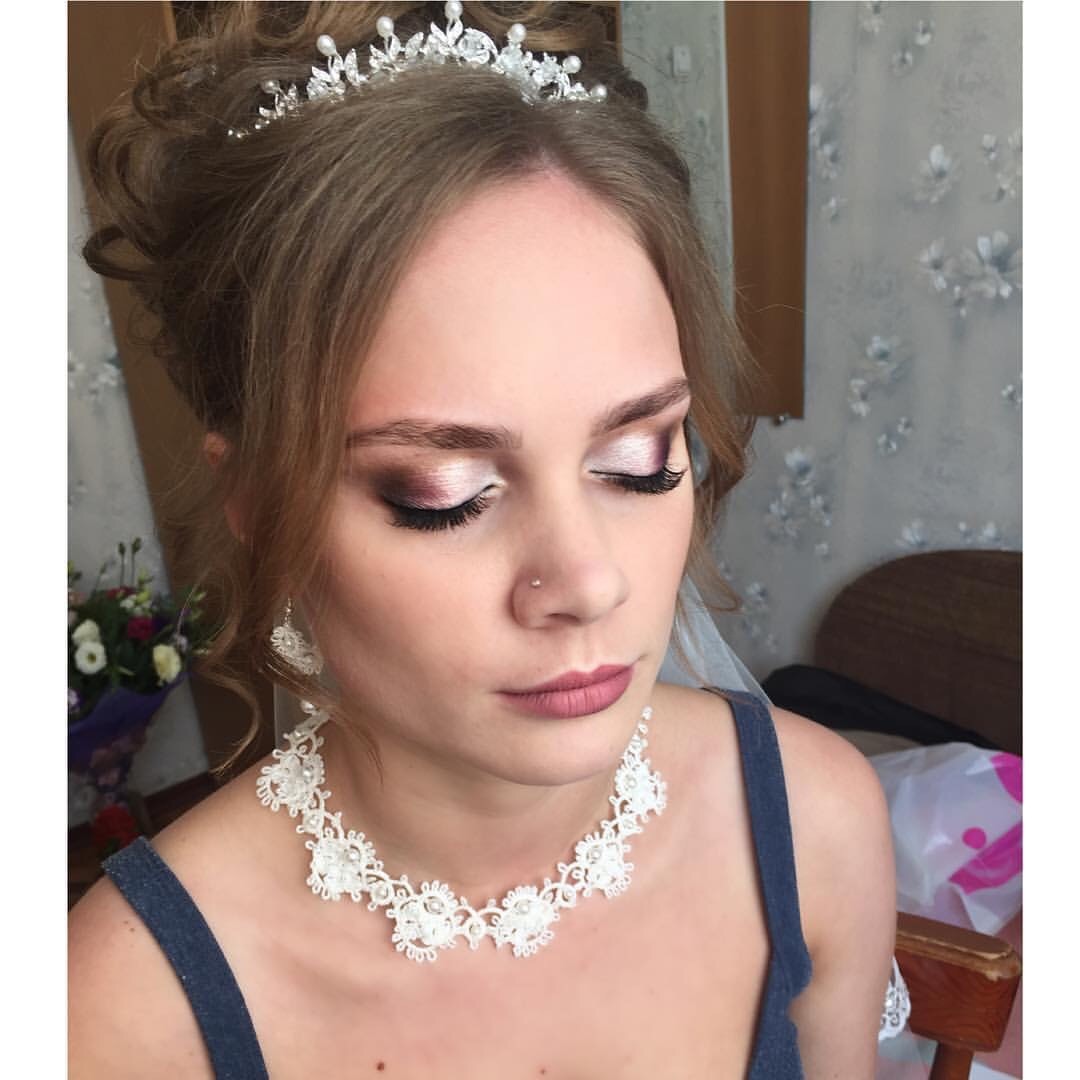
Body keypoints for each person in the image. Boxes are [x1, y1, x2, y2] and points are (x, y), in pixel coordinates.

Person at [68, 3, 899, 1076]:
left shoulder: (816, 817)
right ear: (260, 502)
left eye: (640, 457)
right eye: (445, 494)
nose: (588, 581)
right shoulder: (115, 1014)